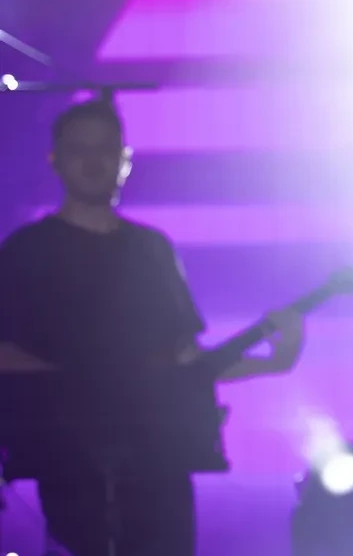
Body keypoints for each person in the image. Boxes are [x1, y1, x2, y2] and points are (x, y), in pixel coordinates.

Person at [0, 98, 306, 556]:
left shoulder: (151, 249)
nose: (93, 160)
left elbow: (185, 361)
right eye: (80, 149)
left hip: (159, 465)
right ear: (56, 160)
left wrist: (273, 363)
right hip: (71, 467)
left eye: (105, 149)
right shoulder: (26, 251)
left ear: (124, 159)